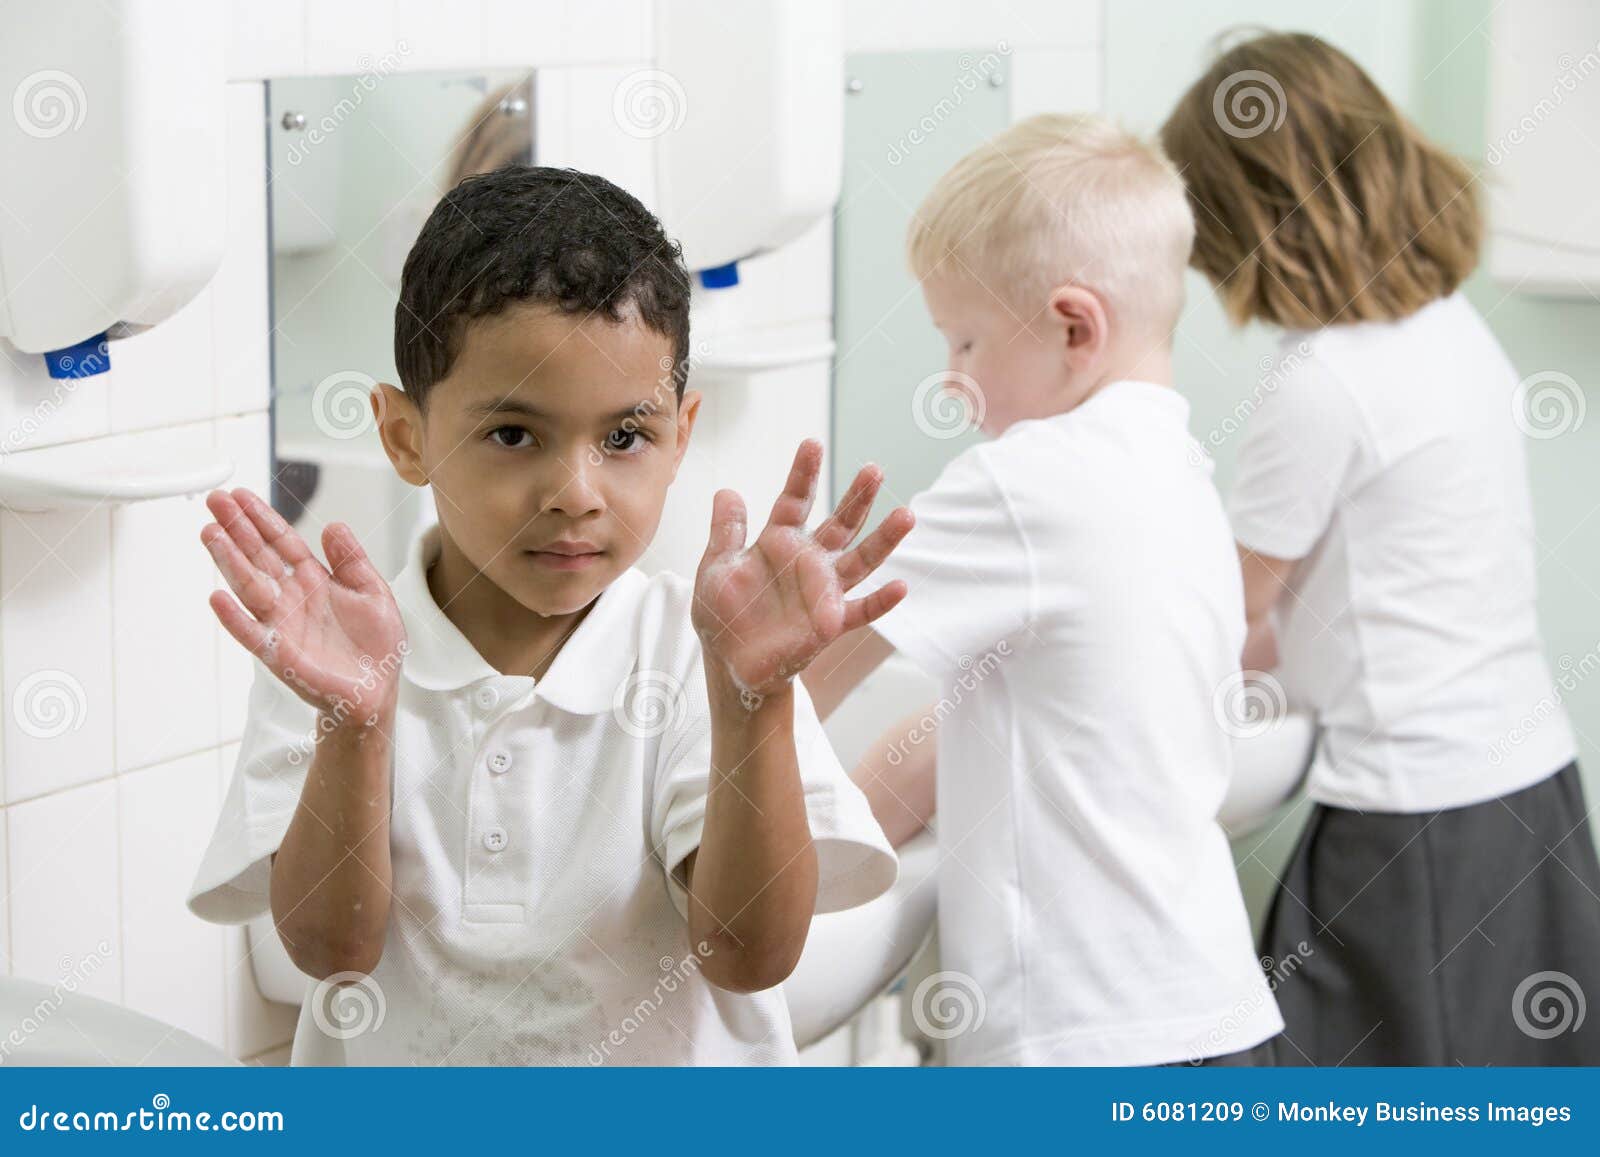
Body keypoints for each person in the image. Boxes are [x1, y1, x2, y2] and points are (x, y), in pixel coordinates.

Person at [187, 164, 912, 1065]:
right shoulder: (341, 652)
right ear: (405, 435)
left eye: (624, 437)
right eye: (514, 434)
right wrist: (356, 723)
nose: (575, 493)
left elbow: (750, 952)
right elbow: (330, 951)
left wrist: (752, 701)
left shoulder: (699, 654)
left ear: (681, 434)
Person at [804, 113, 1283, 1066]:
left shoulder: (1026, 482)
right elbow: (988, 731)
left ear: (1074, 326)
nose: (953, 382)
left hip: (1084, 1044)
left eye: (967, 343)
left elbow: (791, 673)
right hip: (1209, 1019)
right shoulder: (1177, 473)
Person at [1161, 30, 1600, 1064]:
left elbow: (1233, 617)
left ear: (1244, 222)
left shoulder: (1320, 381)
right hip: (1528, 791)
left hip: (1416, 821)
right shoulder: (1451, 330)